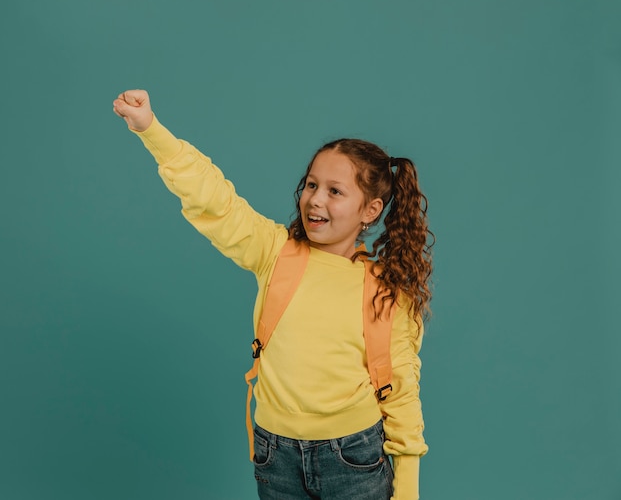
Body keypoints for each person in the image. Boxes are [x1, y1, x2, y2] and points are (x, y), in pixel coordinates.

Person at [113, 89, 434, 500]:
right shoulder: (275, 251)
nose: (315, 199)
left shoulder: (387, 292)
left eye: (335, 191)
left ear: (370, 211)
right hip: (275, 454)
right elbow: (216, 202)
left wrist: (406, 491)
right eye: (312, 185)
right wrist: (151, 130)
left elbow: (402, 391)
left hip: (354, 458)